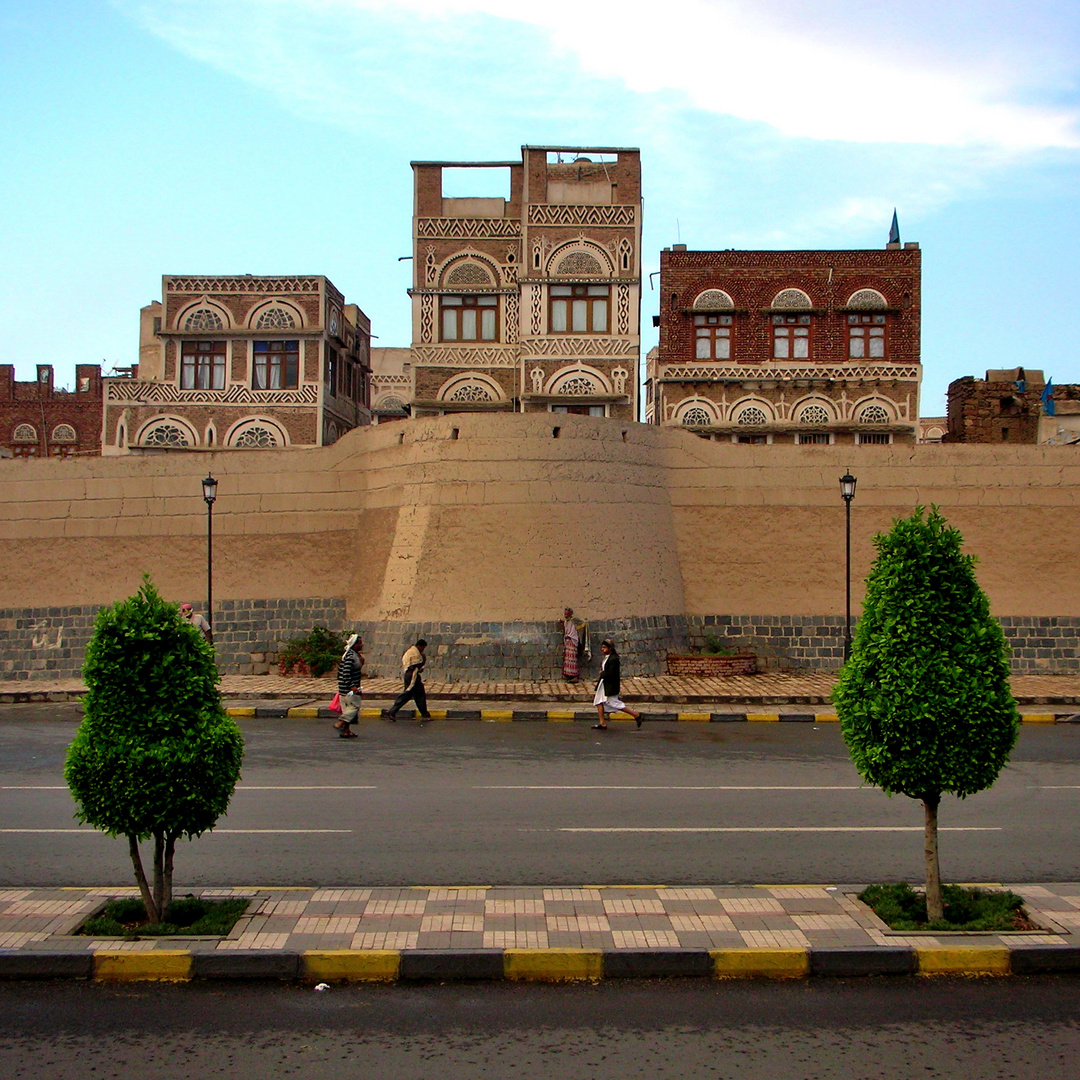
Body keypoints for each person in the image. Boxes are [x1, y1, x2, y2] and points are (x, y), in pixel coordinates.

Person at [592, 639, 642, 730]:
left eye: (604, 647)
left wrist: (602, 673)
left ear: (610, 648)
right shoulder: (608, 657)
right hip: (604, 684)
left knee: (614, 703)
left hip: (609, 685)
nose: (602, 649)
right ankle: (602, 723)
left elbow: (611, 673)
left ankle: (636, 715)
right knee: (598, 702)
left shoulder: (613, 659)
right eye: (602, 647)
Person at [386, 638, 431, 720]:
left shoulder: (411, 651)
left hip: (411, 675)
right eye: (423, 648)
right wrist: (422, 660)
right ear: (420, 646)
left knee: (416, 695)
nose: (423, 650)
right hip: (412, 676)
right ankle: (392, 711)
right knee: (410, 694)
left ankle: (425, 714)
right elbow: (414, 665)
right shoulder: (415, 653)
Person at [334, 634, 363, 738]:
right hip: (349, 689)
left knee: (347, 709)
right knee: (354, 707)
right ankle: (340, 723)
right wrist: (352, 686)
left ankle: (346, 731)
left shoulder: (352, 655)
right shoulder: (350, 657)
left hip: (343, 688)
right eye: (359, 643)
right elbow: (346, 673)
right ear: (354, 644)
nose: (361, 645)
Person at [562, 607, 580, 681]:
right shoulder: (566, 622)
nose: (565, 615)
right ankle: (569, 674)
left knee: (572, 659)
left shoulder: (574, 622)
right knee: (568, 659)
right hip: (568, 641)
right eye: (565, 613)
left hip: (572, 641)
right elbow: (566, 631)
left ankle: (575, 676)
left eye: (567, 613)